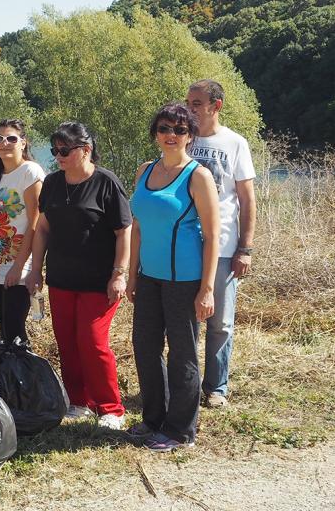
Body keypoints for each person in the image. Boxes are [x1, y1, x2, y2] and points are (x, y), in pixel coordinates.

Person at [128, 102, 220, 452]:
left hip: (186, 280)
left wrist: (207, 289)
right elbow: (137, 228)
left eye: (180, 130)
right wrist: (132, 275)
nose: (171, 136)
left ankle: (181, 430)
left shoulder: (198, 176)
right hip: (149, 276)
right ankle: (154, 419)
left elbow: (212, 236)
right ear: (155, 133)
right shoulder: (144, 171)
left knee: (182, 354)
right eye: (165, 128)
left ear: (190, 136)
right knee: (145, 348)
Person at [29, 121, 132, 431]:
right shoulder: (52, 184)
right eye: (54, 151)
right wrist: (35, 270)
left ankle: (111, 408)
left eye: (64, 150)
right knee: (67, 341)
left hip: (99, 281)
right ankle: (78, 402)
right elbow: (43, 228)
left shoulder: (106, 183)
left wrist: (119, 274)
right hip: (61, 278)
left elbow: (124, 230)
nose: (58, 156)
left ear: (85, 150)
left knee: (92, 341)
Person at [186, 79, 257, 408]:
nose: (191, 109)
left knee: (220, 323)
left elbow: (246, 199)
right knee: (185, 323)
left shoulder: (235, 143)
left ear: (216, 106)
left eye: (197, 103)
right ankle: (186, 385)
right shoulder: (183, 138)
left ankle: (215, 387)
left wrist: (245, 248)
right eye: (189, 103)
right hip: (185, 246)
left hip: (225, 246)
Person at [0, 119, 45, 343]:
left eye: (11, 138)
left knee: (16, 333)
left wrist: (19, 267)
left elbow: (36, 223)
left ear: (23, 143)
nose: (4, 143)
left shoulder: (30, 171)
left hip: (17, 265)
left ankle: (28, 377)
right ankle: (7, 376)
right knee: (5, 333)